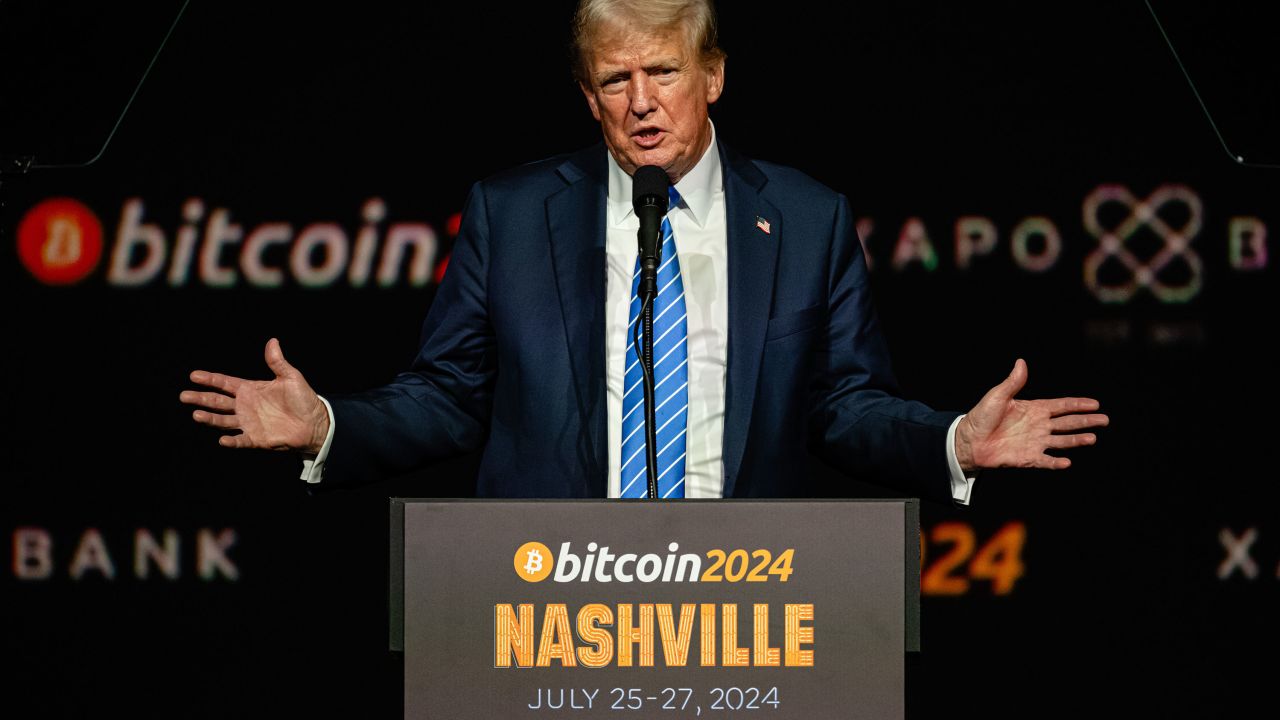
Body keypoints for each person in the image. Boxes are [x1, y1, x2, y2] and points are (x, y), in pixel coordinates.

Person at [180, 0, 1107, 503]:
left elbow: (843, 407)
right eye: (614, 80)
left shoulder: (808, 217)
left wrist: (950, 441)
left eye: (662, 71)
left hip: (743, 605)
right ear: (587, 96)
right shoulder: (510, 213)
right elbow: (451, 396)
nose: (641, 102)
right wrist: (330, 425)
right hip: (549, 605)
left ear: (713, 75)